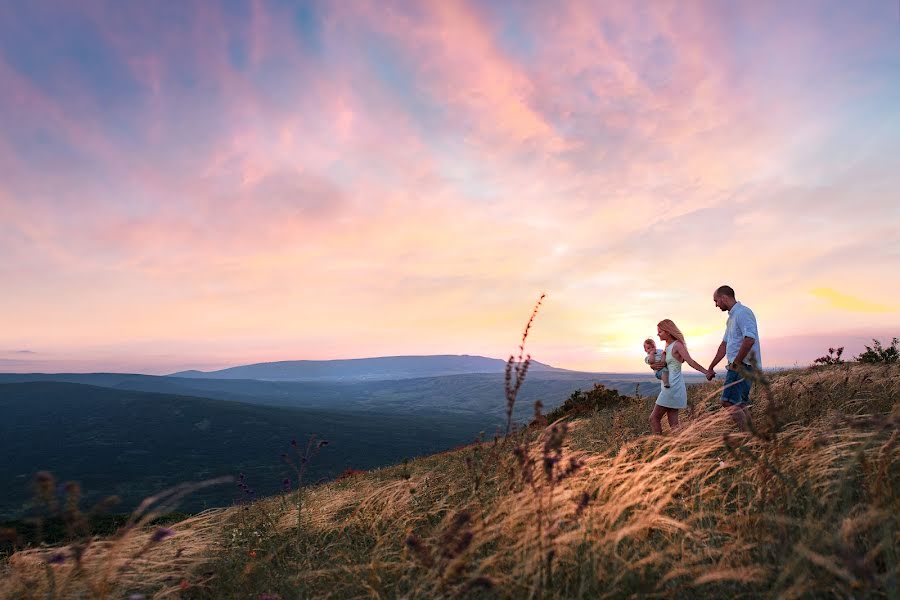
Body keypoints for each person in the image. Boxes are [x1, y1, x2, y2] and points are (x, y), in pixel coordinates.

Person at [706, 285, 761, 431]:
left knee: (727, 401)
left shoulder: (743, 313)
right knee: (740, 403)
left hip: (742, 366)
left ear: (724, 298)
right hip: (739, 365)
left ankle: (747, 437)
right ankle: (752, 438)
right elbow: (724, 345)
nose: (716, 305)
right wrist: (711, 367)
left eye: (716, 301)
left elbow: (749, 339)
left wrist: (736, 363)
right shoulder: (731, 318)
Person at [648, 319, 711, 434]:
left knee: (654, 418)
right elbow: (663, 365)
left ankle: (658, 448)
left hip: (672, 386)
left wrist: (706, 372)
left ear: (668, 331)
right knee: (674, 425)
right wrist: (653, 366)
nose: (658, 334)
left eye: (660, 332)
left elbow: (690, 362)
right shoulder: (667, 345)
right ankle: (680, 449)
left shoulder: (677, 345)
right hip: (672, 385)